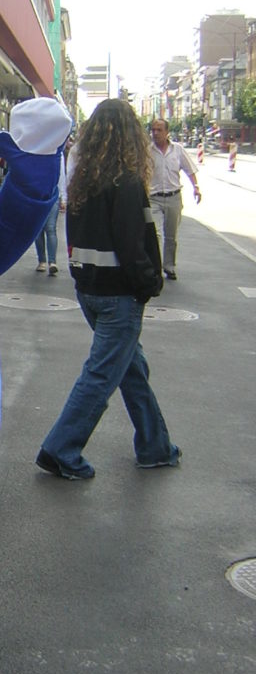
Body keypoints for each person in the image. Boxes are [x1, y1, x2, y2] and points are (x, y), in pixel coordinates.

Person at [36, 99, 181, 480]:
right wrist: (150, 283)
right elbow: (134, 245)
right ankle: (60, 449)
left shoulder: (83, 178)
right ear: (130, 135)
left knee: (130, 368)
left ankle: (155, 446)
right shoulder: (127, 181)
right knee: (102, 375)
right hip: (120, 294)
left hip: (90, 289)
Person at [149, 118, 201, 280]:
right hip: (153, 199)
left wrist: (196, 187)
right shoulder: (147, 151)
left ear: (167, 132)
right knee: (155, 234)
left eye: (159, 130)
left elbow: (189, 169)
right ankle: (155, 268)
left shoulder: (177, 150)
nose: (155, 133)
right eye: (153, 130)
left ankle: (169, 267)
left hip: (173, 197)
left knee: (171, 236)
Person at [34, 152, 68, 275]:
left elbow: (62, 176)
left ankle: (52, 262)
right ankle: (42, 260)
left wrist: (63, 197)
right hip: (37, 194)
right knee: (38, 230)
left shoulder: (58, 154)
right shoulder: (36, 151)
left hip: (53, 193)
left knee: (50, 228)